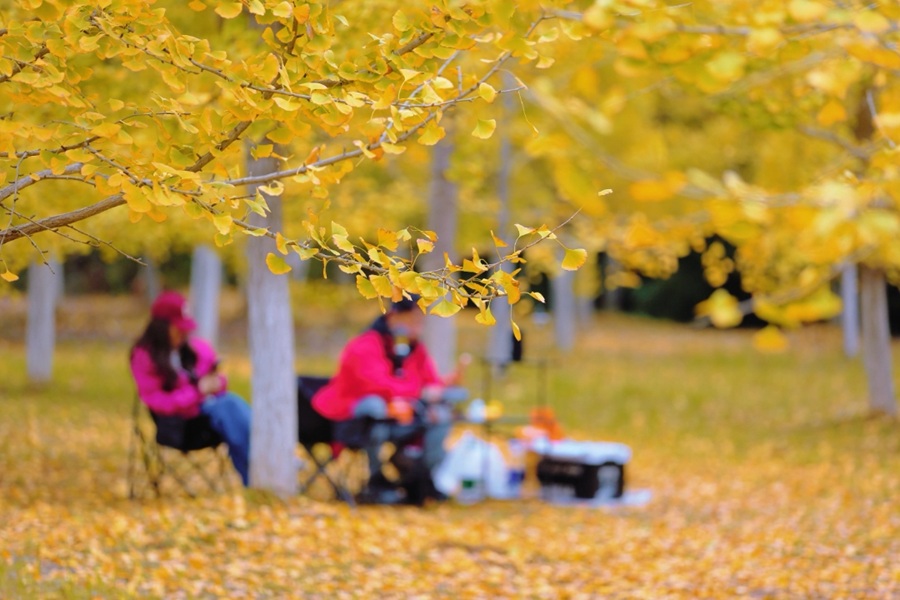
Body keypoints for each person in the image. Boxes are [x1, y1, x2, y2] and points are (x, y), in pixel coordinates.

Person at [312, 295, 468, 504]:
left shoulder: (415, 348)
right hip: (352, 420)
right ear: (395, 317)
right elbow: (376, 385)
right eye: (413, 321)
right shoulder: (364, 345)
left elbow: (431, 382)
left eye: (420, 322)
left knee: (440, 417)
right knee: (376, 408)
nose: (418, 328)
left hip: (400, 419)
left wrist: (445, 384)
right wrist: (419, 393)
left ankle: (416, 478)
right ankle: (375, 480)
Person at [130, 290, 252, 487]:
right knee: (230, 407)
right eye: (178, 328)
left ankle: (258, 475)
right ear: (162, 327)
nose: (184, 333)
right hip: (180, 427)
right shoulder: (145, 357)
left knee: (231, 410)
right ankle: (268, 461)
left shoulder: (196, 349)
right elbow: (158, 402)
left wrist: (215, 383)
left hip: (210, 419)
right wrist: (198, 392)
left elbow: (218, 382)